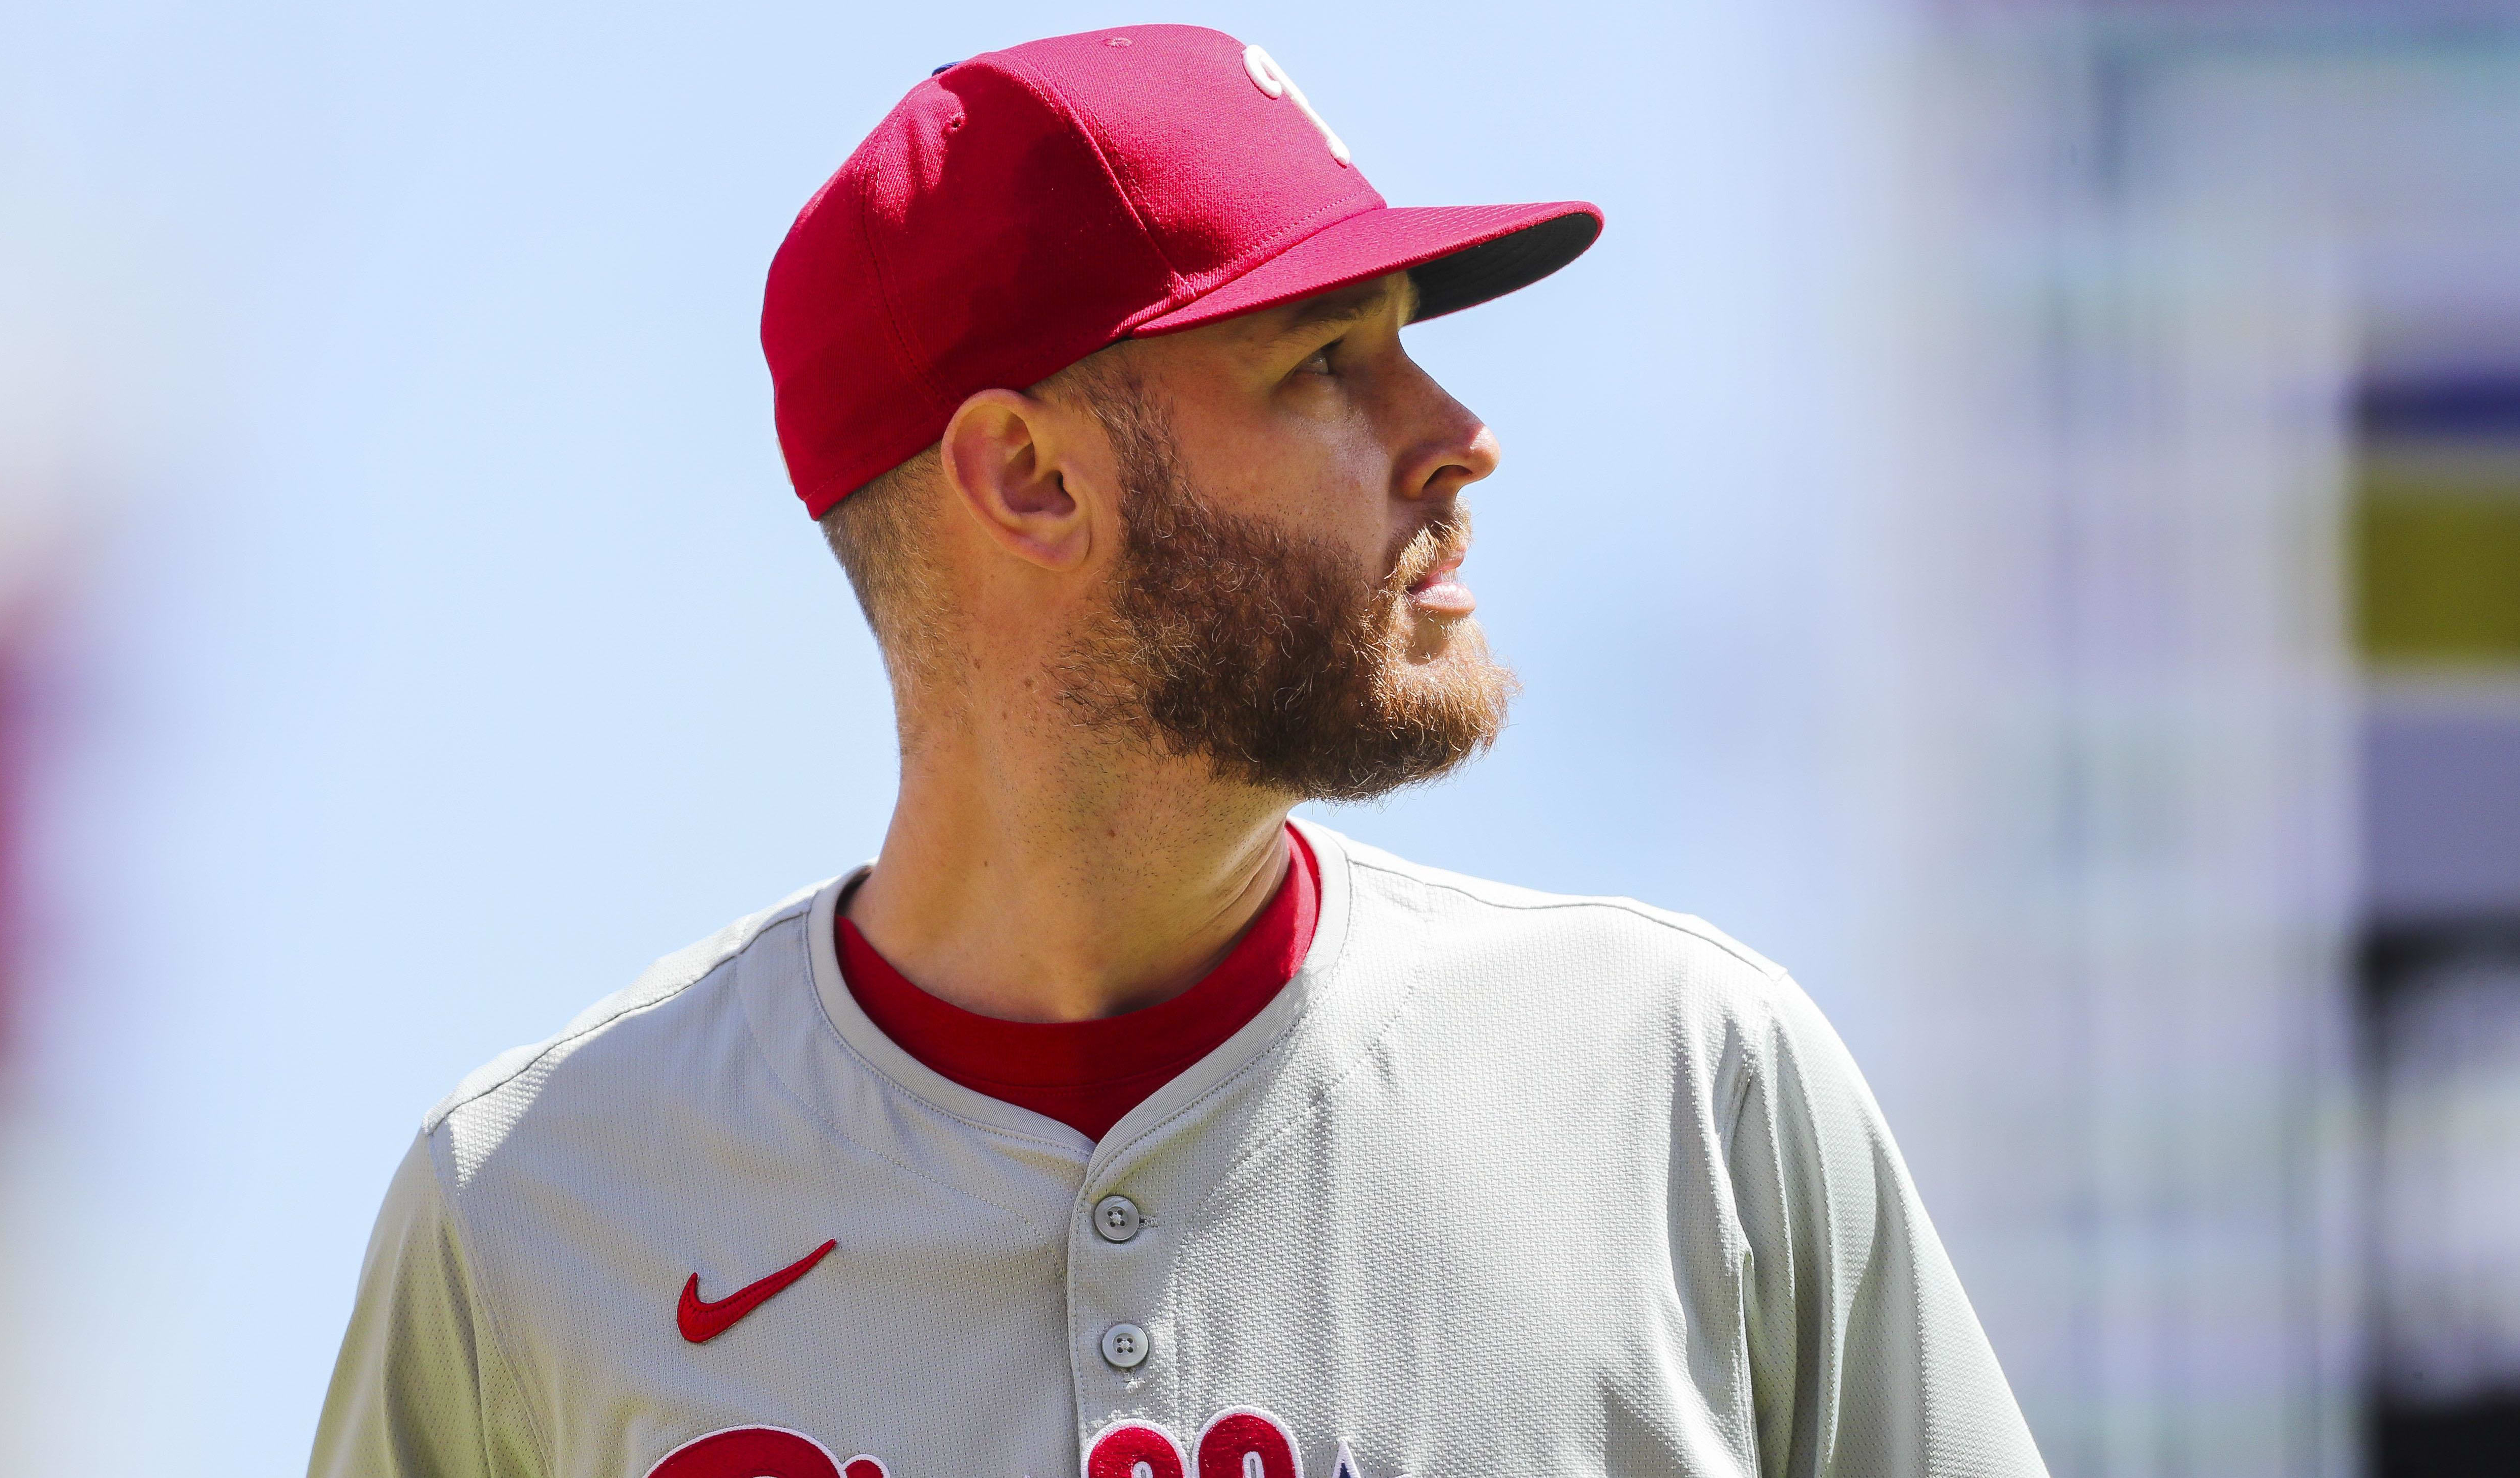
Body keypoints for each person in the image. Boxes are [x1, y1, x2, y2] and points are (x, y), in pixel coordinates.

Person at [311, 24, 2046, 1478]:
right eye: (1322, 363)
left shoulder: (1684, 1081)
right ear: (1030, 481)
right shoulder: (533, 1215)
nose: (1456, 436)